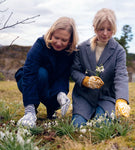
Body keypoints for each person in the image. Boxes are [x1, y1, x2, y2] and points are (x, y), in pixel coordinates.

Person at [70, 8, 130, 127]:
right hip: (84, 97)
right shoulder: (81, 48)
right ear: (94, 27)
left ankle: (104, 112)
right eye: (101, 29)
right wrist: (85, 80)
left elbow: (121, 75)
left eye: (109, 29)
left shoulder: (119, 51)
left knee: (100, 126)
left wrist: (122, 99)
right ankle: (83, 113)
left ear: (114, 29)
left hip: (106, 98)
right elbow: (74, 71)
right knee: (77, 125)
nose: (105, 33)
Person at [15, 16, 79, 128]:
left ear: (70, 41)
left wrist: (61, 93)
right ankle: (32, 111)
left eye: (64, 40)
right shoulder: (40, 44)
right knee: (42, 73)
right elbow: (29, 73)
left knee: (58, 95)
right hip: (31, 80)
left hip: (52, 85)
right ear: (51, 34)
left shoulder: (71, 53)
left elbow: (63, 76)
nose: (59, 43)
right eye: (56, 38)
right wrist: (29, 109)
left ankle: (52, 109)